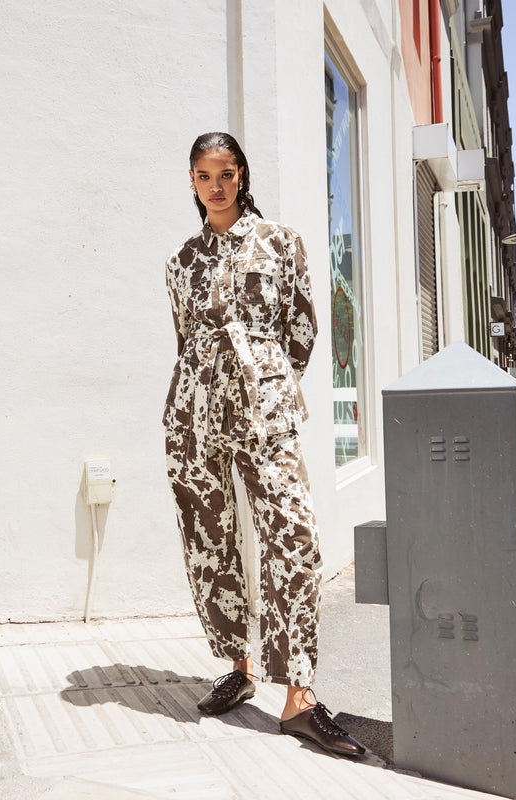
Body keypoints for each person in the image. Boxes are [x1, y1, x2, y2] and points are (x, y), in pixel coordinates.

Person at [163, 132, 364, 758]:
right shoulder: (180, 261)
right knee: (210, 541)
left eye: (225, 173)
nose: (216, 186)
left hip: (265, 411)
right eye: (203, 176)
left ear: (243, 175)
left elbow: (301, 330)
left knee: (293, 538)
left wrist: (266, 382)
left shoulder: (280, 242)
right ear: (192, 182)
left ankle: (299, 695)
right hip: (194, 415)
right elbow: (186, 341)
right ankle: (238, 666)